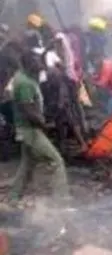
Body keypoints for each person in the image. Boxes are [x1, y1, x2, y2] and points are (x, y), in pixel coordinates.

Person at [8, 51, 69, 202]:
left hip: (27, 128)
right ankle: (61, 202)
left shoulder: (25, 77)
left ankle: (13, 198)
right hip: (30, 130)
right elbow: (28, 110)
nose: (40, 64)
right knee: (56, 161)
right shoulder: (24, 83)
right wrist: (45, 125)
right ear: (29, 64)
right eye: (36, 61)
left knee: (26, 166)